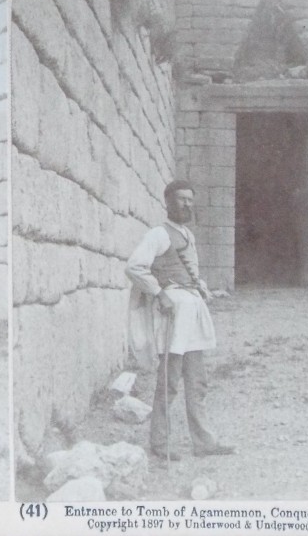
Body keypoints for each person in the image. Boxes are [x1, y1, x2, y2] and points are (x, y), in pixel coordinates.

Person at [126, 179, 234, 461]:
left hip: (192, 315)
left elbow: (189, 271)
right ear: (168, 202)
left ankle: (204, 442)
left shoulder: (187, 234)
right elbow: (135, 266)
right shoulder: (158, 235)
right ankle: (160, 444)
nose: (186, 204)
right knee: (169, 382)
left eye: (189, 199)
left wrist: (201, 286)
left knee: (197, 381)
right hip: (174, 317)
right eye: (181, 199)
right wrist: (159, 293)